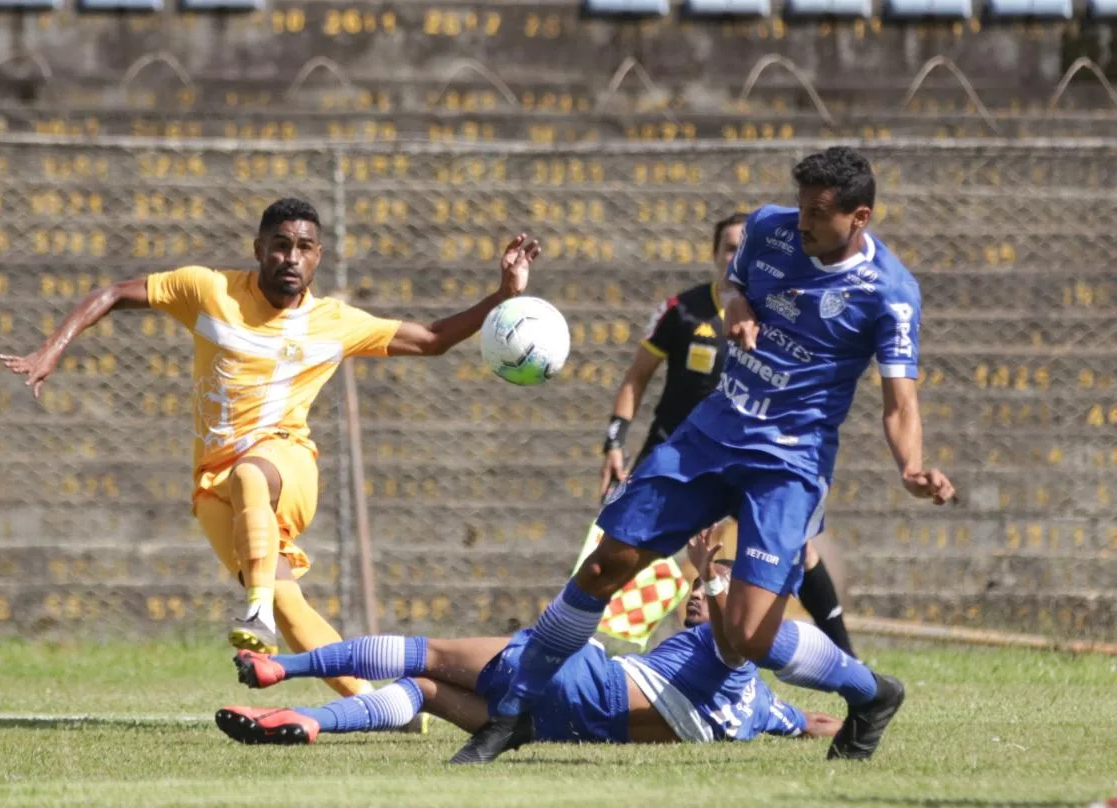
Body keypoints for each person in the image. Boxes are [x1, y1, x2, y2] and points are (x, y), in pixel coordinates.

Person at [452, 146, 956, 765]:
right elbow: (735, 282)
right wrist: (738, 302)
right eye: (801, 207)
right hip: (709, 436)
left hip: (788, 465)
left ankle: (872, 693)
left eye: (819, 214)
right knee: (604, 564)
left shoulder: (892, 293)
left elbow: (899, 401)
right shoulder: (770, 226)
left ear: (860, 218)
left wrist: (911, 465)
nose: (802, 223)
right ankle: (508, 714)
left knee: (745, 633)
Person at [1, 198, 541, 702]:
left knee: (251, 476)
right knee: (291, 604)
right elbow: (115, 292)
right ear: (258, 249)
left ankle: (253, 613)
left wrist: (503, 295)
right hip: (213, 484)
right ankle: (386, 705)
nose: (291, 257)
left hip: (287, 464)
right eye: (280, 245)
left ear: (318, 257)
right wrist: (51, 348)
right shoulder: (208, 291)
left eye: (304, 247)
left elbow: (431, 338)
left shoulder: (334, 322)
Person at [214, 533, 842, 748]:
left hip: (573, 679)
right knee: (424, 692)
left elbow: (738, 627)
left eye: (713, 597)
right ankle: (314, 720)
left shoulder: (730, 657)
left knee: (425, 653)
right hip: (563, 730)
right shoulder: (761, 708)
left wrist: (711, 569)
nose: (698, 597)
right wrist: (860, 717)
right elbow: (814, 721)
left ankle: (286, 666)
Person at [602, 212, 855, 657]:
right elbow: (635, 378)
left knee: (801, 548)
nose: (736, 256)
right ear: (716, 254)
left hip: (747, 454)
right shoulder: (682, 311)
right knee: (633, 550)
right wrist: (615, 441)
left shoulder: (777, 311)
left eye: (744, 247)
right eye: (729, 248)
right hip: (679, 453)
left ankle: (847, 659)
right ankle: (630, 664)